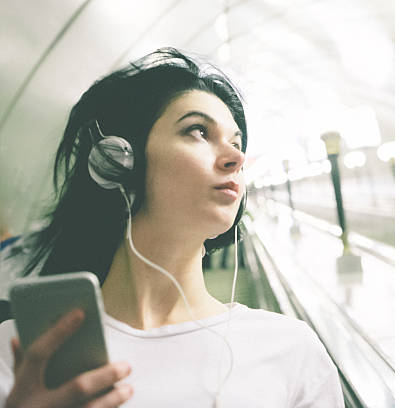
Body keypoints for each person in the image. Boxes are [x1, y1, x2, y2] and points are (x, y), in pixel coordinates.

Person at [0, 47, 344, 407]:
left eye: (236, 142)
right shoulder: (26, 358)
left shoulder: (289, 348)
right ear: (117, 161)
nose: (237, 158)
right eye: (197, 131)